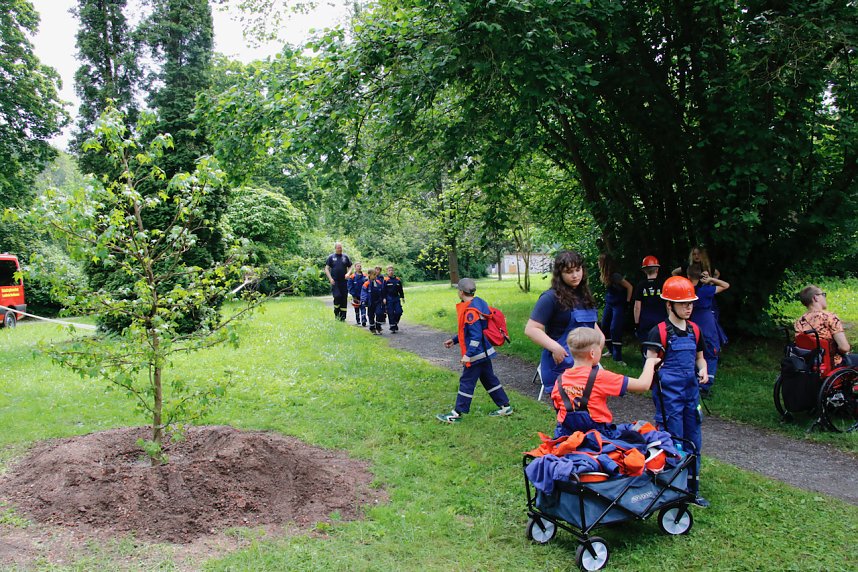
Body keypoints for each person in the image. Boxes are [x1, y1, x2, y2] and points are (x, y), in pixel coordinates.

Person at [645, 275, 709, 507]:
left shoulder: (695, 330)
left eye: (691, 303)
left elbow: (701, 359)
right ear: (669, 305)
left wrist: (702, 370)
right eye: (683, 303)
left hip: (691, 396)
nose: (688, 307)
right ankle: (671, 488)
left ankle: (693, 489)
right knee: (672, 442)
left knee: (694, 442)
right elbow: (649, 365)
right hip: (668, 399)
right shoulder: (659, 332)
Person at [552, 327, 662, 438]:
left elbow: (558, 408)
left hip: (567, 436)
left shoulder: (560, 380)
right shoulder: (600, 377)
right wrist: (650, 362)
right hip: (598, 437)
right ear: (592, 353)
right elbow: (643, 385)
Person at [525, 250, 602, 395]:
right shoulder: (550, 298)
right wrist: (555, 347)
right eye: (569, 271)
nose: (575, 275)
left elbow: (592, 326)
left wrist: (599, 344)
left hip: (587, 365)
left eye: (578, 270)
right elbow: (531, 329)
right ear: (560, 274)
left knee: (591, 412)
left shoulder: (585, 296)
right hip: (562, 367)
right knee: (569, 414)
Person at [437, 278, 513, 423]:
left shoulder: (471, 311)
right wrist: (454, 340)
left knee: (466, 381)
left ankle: (456, 414)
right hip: (484, 352)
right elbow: (468, 331)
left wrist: (468, 355)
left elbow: (476, 335)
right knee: (489, 379)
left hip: (476, 353)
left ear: (461, 292)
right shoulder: (477, 303)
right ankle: (505, 407)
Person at [686, 264, 729, 396]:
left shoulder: (687, 290)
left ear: (688, 276)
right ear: (700, 277)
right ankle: (705, 385)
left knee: (693, 353)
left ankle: (692, 381)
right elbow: (725, 285)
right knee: (711, 353)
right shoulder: (706, 290)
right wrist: (711, 279)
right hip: (707, 323)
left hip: (692, 323)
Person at [794, 285, 857, 366]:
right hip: (831, 363)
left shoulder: (799, 322)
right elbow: (844, 348)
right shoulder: (829, 318)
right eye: (823, 294)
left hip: (808, 363)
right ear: (815, 298)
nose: (825, 298)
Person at [598, 253, 633, 365]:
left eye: (600, 261)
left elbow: (629, 287)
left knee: (615, 329)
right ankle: (610, 350)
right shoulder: (605, 275)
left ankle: (618, 357)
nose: (598, 263)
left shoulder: (615, 276)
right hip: (610, 303)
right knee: (604, 326)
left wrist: (627, 302)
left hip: (619, 304)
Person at [634, 255, 667, 362]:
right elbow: (668, 304)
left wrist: (636, 323)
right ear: (657, 269)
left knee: (646, 346)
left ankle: (647, 366)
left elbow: (637, 307)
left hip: (645, 321)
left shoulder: (640, 285)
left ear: (644, 271)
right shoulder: (663, 285)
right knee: (662, 345)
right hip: (661, 321)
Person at [324, 242, 352, 321]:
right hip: (335, 281)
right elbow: (326, 268)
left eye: (341, 247)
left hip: (344, 281)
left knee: (344, 298)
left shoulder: (345, 257)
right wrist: (330, 278)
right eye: (338, 247)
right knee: (337, 296)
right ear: (335, 248)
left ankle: (343, 318)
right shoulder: (331, 257)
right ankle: (336, 313)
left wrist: (348, 273)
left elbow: (350, 267)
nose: (340, 249)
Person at [360, 268, 386, 334]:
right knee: (371, 315)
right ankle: (372, 328)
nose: (375, 276)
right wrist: (363, 300)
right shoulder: (366, 283)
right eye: (373, 275)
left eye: (375, 275)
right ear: (369, 275)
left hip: (378, 301)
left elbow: (383, 291)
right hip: (370, 302)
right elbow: (363, 292)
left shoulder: (379, 282)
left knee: (379, 313)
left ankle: (378, 326)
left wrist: (384, 298)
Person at [383, 265, 405, 333]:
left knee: (399, 311)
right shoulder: (385, 280)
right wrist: (384, 298)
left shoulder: (397, 280)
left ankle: (395, 322)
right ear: (387, 272)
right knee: (390, 312)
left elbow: (400, 289)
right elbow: (383, 290)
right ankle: (392, 327)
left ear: (394, 271)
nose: (391, 272)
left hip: (396, 298)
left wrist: (402, 297)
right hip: (389, 298)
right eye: (389, 270)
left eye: (392, 270)